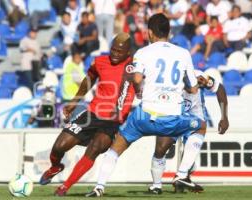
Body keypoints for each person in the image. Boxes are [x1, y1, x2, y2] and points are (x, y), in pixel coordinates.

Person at [85, 13, 206, 197]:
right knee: (201, 127)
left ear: (150, 32)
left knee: (117, 147)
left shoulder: (142, 53)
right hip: (172, 117)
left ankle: (99, 187)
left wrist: (139, 90)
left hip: (144, 115)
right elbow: (193, 89)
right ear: (169, 32)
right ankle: (181, 174)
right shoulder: (183, 54)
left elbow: (137, 78)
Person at [39, 33, 136, 197]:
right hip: (91, 114)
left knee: (94, 148)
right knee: (59, 146)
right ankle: (55, 166)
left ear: (128, 53)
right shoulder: (100, 62)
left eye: (119, 52)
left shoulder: (135, 66)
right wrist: (74, 102)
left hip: (113, 120)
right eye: (113, 50)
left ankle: (64, 187)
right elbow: (88, 80)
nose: (115, 54)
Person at [148, 69, 229, 194]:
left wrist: (224, 116)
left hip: (194, 117)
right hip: (172, 116)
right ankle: (156, 186)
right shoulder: (165, 78)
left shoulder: (199, 76)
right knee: (161, 147)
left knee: (189, 152)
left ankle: (182, 175)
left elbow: (220, 89)